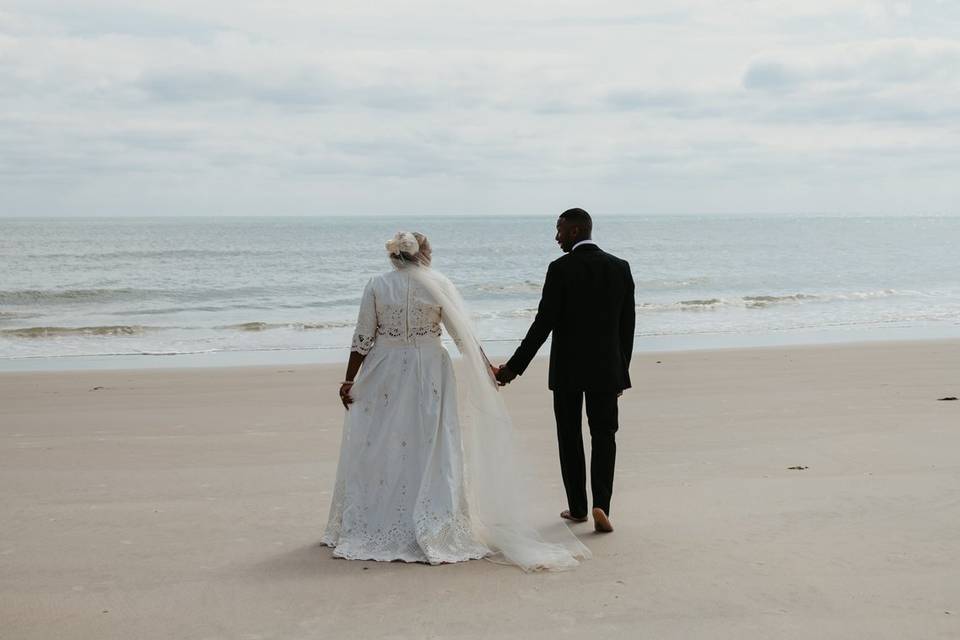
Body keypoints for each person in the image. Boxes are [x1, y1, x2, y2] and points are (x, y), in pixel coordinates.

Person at [322, 231, 589, 570]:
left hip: (384, 370)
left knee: (383, 442)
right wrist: (488, 369)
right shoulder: (438, 284)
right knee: (431, 442)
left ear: (395, 256)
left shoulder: (376, 284)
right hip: (429, 369)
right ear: (424, 253)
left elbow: (362, 336)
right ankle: (434, 516)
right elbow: (462, 334)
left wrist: (350, 379)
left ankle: (377, 518)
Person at [496, 208, 635, 534]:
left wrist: (511, 370)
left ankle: (577, 508)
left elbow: (542, 325)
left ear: (574, 231)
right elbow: (626, 327)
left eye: (559, 230)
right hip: (606, 370)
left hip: (568, 371)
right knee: (604, 435)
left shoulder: (560, 269)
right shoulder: (620, 268)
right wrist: (621, 372)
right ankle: (602, 503)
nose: (556, 236)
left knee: (569, 436)